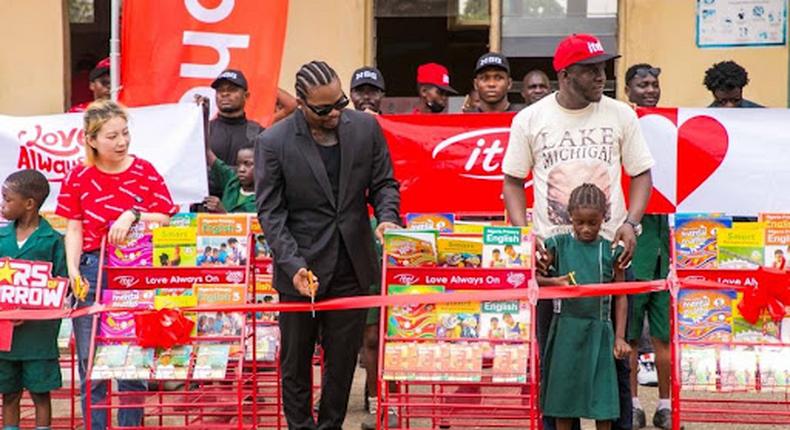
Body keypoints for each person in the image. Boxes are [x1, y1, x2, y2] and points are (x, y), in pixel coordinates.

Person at [502, 33, 655, 430]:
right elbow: (513, 182)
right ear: (565, 74)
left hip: (611, 255)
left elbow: (641, 173)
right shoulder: (530, 119)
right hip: (554, 258)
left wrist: (631, 223)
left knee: (615, 357)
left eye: (603, 69)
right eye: (591, 70)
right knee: (556, 359)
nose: (601, 77)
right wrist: (526, 236)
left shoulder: (621, 114)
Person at [256, 60, 401, 430]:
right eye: (323, 109)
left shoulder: (366, 129)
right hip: (300, 269)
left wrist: (387, 218)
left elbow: (384, 184)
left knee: (340, 365)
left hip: (353, 263)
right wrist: (293, 265)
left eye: (340, 103)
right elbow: (271, 214)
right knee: (296, 364)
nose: (335, 113)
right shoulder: (273, 141)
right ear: (301, 102)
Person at [56, 100, 178, 430]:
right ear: (91, 139)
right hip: (92, 267)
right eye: (112, 136)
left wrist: (133, 212)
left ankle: (130, 425)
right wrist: (73, 270)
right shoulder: (78, 176)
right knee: (90, 360)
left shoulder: (144, 171)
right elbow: (74, 226)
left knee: (132, 360)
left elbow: (165, 214)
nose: (122, 142)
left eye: (125, 133)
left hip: (135, 270)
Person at [539, 183, 631, 430]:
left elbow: (622, 295)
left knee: (603, 399)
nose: (586, 228)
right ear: (570, 216)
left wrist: (620, 337)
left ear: (604, 217)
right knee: (563, 398)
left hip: (600, 331)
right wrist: (552, 282)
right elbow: (532, 278)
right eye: (579, 222)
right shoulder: (557, 245)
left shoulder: (609, 250)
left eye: (593, 222)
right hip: (565, 332)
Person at [624, 63, 672, 430]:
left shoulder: (669, 131)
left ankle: (666, 405)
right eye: (642, 85)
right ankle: (635, 404)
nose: (650, 90)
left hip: (661, 250)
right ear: (628, 90)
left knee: (662, 336)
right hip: (631, 250)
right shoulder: (623, 127)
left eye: (654, 84)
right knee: (628, 337)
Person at [0, 170, 66, 430]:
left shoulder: (52, 240)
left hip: (39, 335)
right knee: (9, 393)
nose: (2, 204)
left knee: (41, 393)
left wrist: (32, 308)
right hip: (5, 336)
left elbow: (61, 284)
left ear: (29, 204)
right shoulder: (1, 239)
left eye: (7, 199)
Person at [205, 69, 265, 168]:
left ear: (246, 96)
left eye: (232, 89)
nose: (225, 94)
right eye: (220, 90)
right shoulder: (204, 130)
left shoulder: (259, 134)